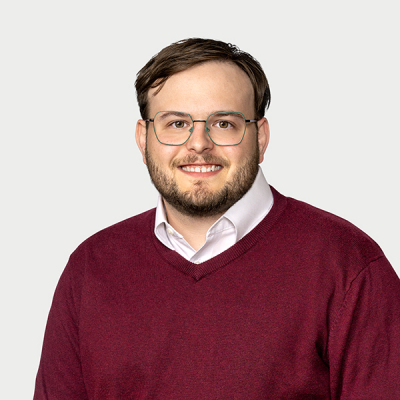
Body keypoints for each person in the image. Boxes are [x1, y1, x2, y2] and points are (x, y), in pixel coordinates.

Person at [34, 38, 400, 399]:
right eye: (176, 123)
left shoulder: (348, 265)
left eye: (224, 123)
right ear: (143, 140)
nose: (198, 143)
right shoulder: (91, 268)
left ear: (261, 137)